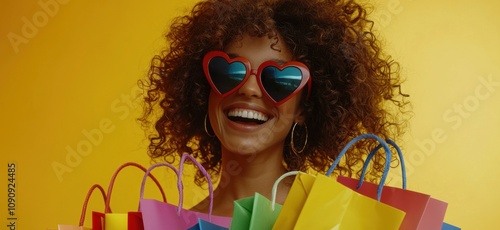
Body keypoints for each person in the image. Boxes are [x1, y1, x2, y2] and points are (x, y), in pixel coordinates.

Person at [139, 0, 410, 217]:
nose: (249, 89)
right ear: (204, 94)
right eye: (230, 71)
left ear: (304, 108)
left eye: (280, 79)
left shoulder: (337, 224)